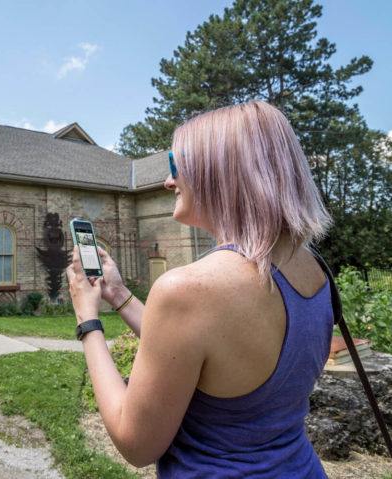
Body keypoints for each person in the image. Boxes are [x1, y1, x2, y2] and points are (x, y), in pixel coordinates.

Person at [66, 100, 333, 477]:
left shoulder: (189, 289)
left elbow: (135, 443)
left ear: (219, 172)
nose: (168, 181)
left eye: (177, 167)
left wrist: (87, 320)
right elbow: (213, 356)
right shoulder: (314, 269)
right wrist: (120, 295)